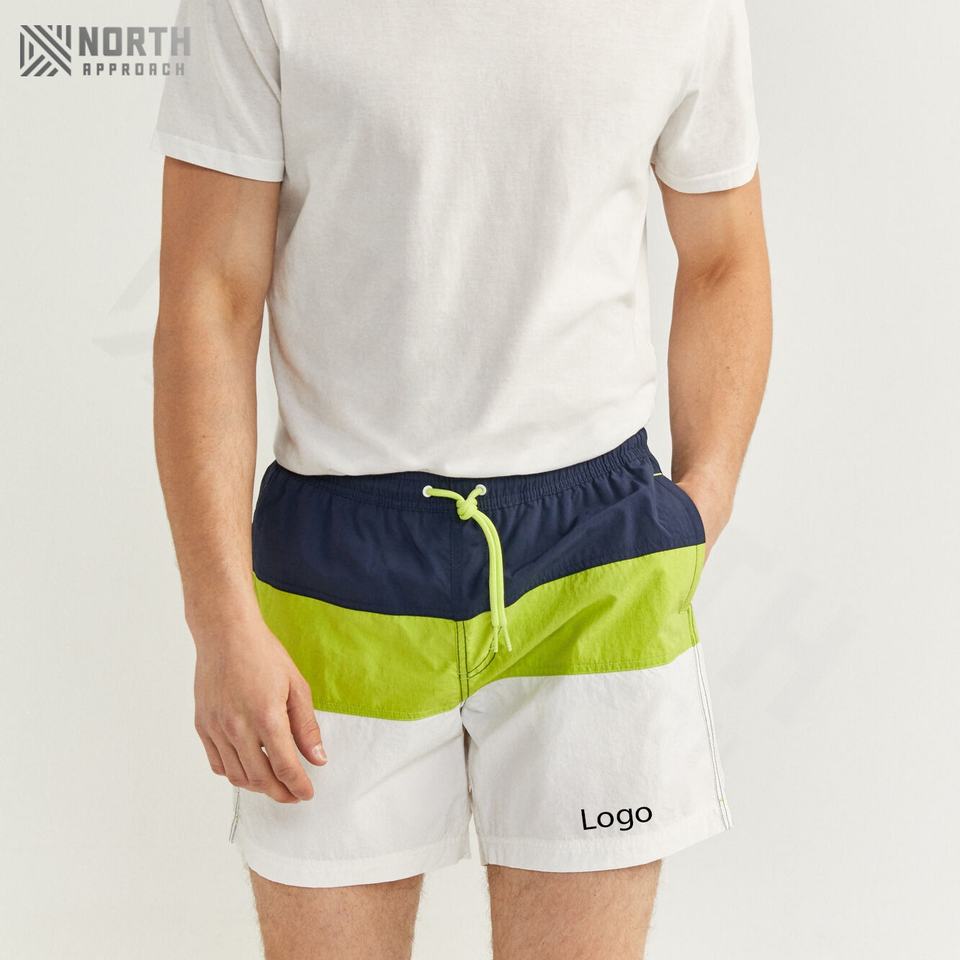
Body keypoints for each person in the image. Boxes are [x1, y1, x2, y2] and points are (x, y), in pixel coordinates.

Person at [151, 0, 771, 955]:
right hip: (337, 561)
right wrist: (219, 618)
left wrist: (708, 494)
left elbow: (724, 253)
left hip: (595, 560)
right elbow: (209, 294)